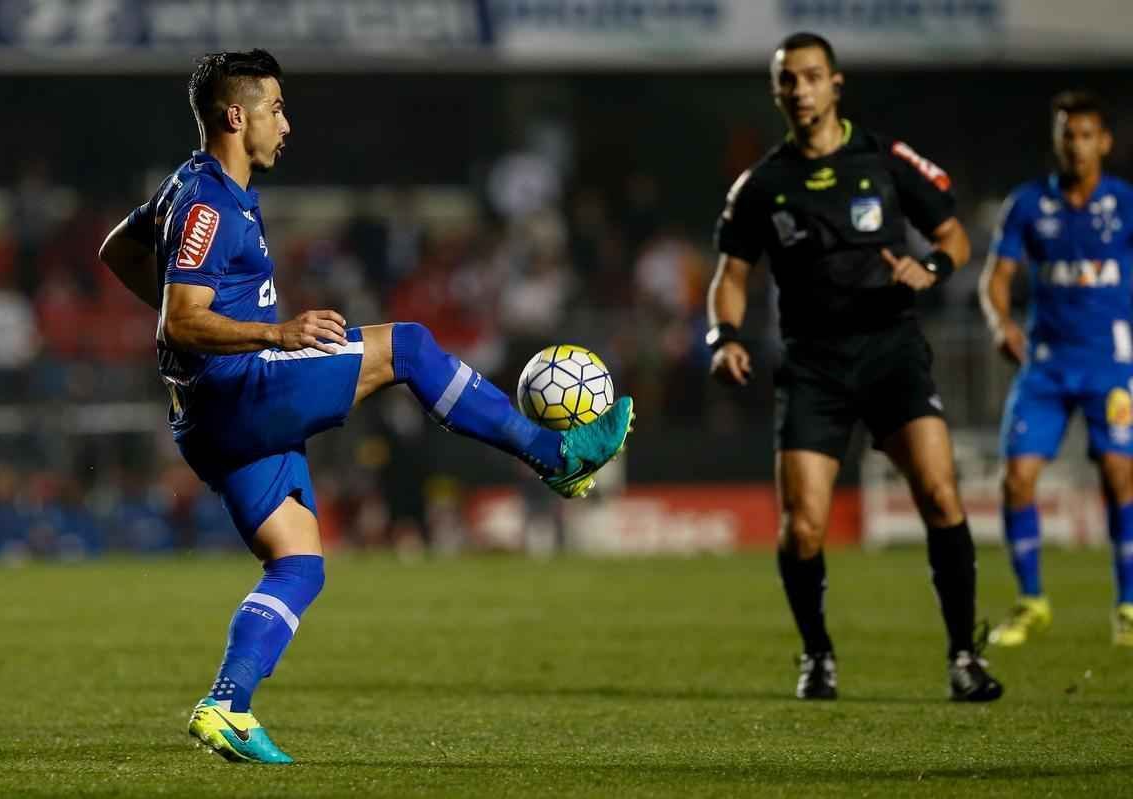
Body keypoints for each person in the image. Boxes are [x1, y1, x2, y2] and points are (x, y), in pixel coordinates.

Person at [98, 49, 633, 764]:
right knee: (409, 347)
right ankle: (557, 455)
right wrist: (269, 332)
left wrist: (194, 330)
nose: (286, 123)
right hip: (240, 388)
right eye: (276, 107)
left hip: (211, 417)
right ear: (236, 115)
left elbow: (116, 252)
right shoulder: (206, 202)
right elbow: (179, 319)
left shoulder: (187, 189)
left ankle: (226, 704)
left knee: (299, 562)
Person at [706, 32, 1002, 702]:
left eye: (812, 77)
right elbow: (730, 275)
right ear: (777, 92)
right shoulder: (762, 186)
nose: (801, 90)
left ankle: (964, 655)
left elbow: (952, 235)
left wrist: (930, 268)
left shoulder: (887, 162)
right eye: (789, 80)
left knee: (940, 495)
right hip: (813, 366)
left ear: (836, 84)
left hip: (892, 351)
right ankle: (817, 655)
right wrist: (722, 336)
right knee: (802, 526)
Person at [980, 91, 1133, 648]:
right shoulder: (1028, 205)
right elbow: (995, 279)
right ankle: (1031, 602)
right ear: (1056, 139)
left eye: (1087, 134)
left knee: (1120, 474)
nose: (1076, 144)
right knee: (1017, 478)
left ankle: (1129, 606)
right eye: (1067, 133)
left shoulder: (1126, 205)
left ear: (1105, 142)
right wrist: (1001, 323)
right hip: (1044, 365)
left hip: (1110, 365)